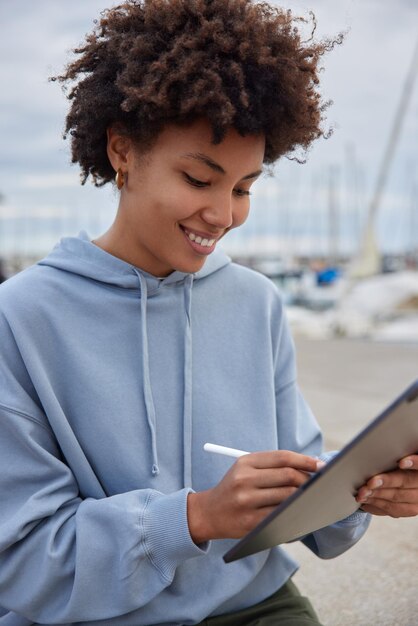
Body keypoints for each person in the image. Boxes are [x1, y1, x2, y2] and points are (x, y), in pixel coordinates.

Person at [0, 1, 417, 624]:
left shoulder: (257, 302)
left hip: (255, 603)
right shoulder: (20, 318)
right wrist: (192, 518)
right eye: (200, 179)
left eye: (244, 188)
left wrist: (358, 488)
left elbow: (303, 490)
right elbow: (22, 559)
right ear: (121, 150)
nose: (223, 215)